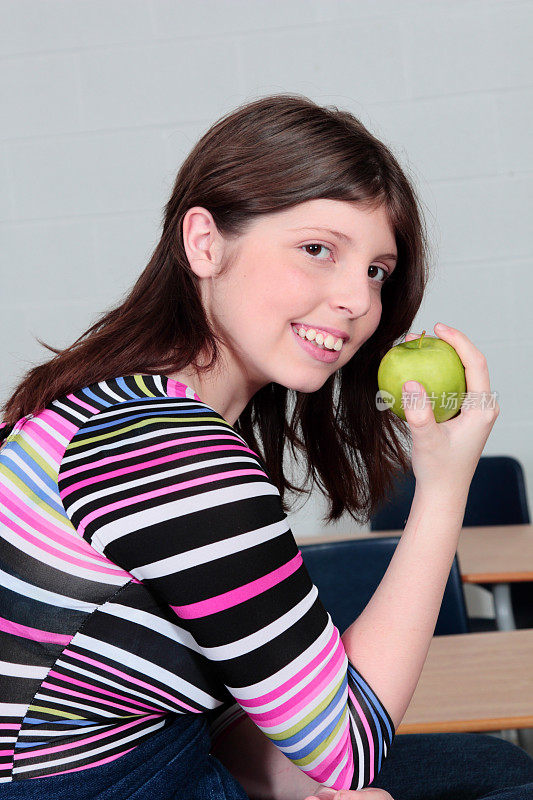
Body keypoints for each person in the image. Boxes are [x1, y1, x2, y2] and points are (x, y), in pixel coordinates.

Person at [0, 94, 532, 800]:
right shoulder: (171, 455)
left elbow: (216, 712)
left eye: (376, 270)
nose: (356, 300)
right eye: (317, 249)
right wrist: (441, 486)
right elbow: (347, 751)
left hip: (154, 755)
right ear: (204, 243)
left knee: (489, 771)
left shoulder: (98, 406)